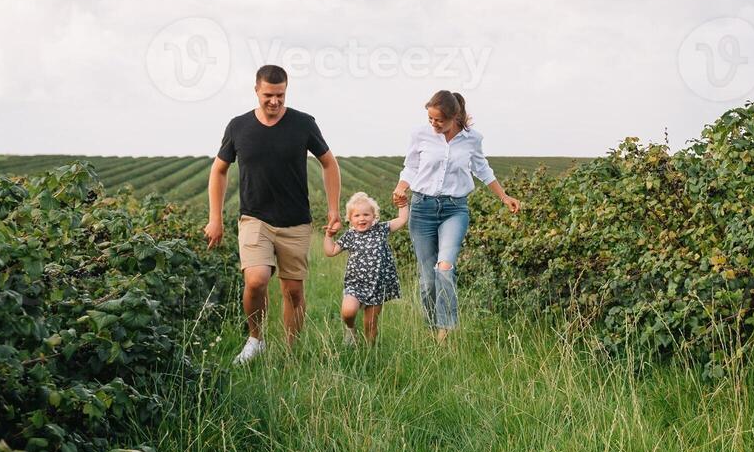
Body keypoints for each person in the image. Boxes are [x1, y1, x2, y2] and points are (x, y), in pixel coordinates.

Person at [204, 64, 341, 364]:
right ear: (256, 90)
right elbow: (219, 170)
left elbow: (329, 163)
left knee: (293, 291)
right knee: (256, 279)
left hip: (296, 221)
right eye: (269, 94)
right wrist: (215, 218)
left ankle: (291, 352)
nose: (275, 101)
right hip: (255, 218)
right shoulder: (238, 126)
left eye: (280, 94)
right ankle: (256, 339)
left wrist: (333, 209)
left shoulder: (303, 124)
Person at [392, 90, 520, 344]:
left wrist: (504, 197)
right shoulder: (420, 135)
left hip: (455, 209)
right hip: (422, 208)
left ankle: (446, 330)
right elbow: (411, 166)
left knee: (445, 267)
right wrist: (401, 187)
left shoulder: (472, 139)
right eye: (430, 119)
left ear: (454, 116)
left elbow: (482, 169)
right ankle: (431, 327)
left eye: (438, 120)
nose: (434, 124)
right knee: (428, 279)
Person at [322, 191, 407, 345]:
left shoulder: (380, 229)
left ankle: (369, 353)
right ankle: (351, 329)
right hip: (355, 284)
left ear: (374, 216)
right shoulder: (350, 235)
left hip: (377, 285)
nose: (362, 218)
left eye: (366, 214)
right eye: (357, 216)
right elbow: (331, 251)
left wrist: (402, 204)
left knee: (371, 324)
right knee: (348, 312)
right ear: (350, 219)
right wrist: (329, 235)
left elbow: (402, 219)